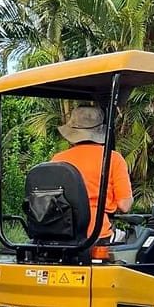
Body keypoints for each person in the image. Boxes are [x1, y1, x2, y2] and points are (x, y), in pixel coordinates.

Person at [51, 105, 134, 245]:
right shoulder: (113, 158)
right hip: (97, 233)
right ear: (100, 131)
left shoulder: (57, 159)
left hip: (61, 233)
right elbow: (124, 205)